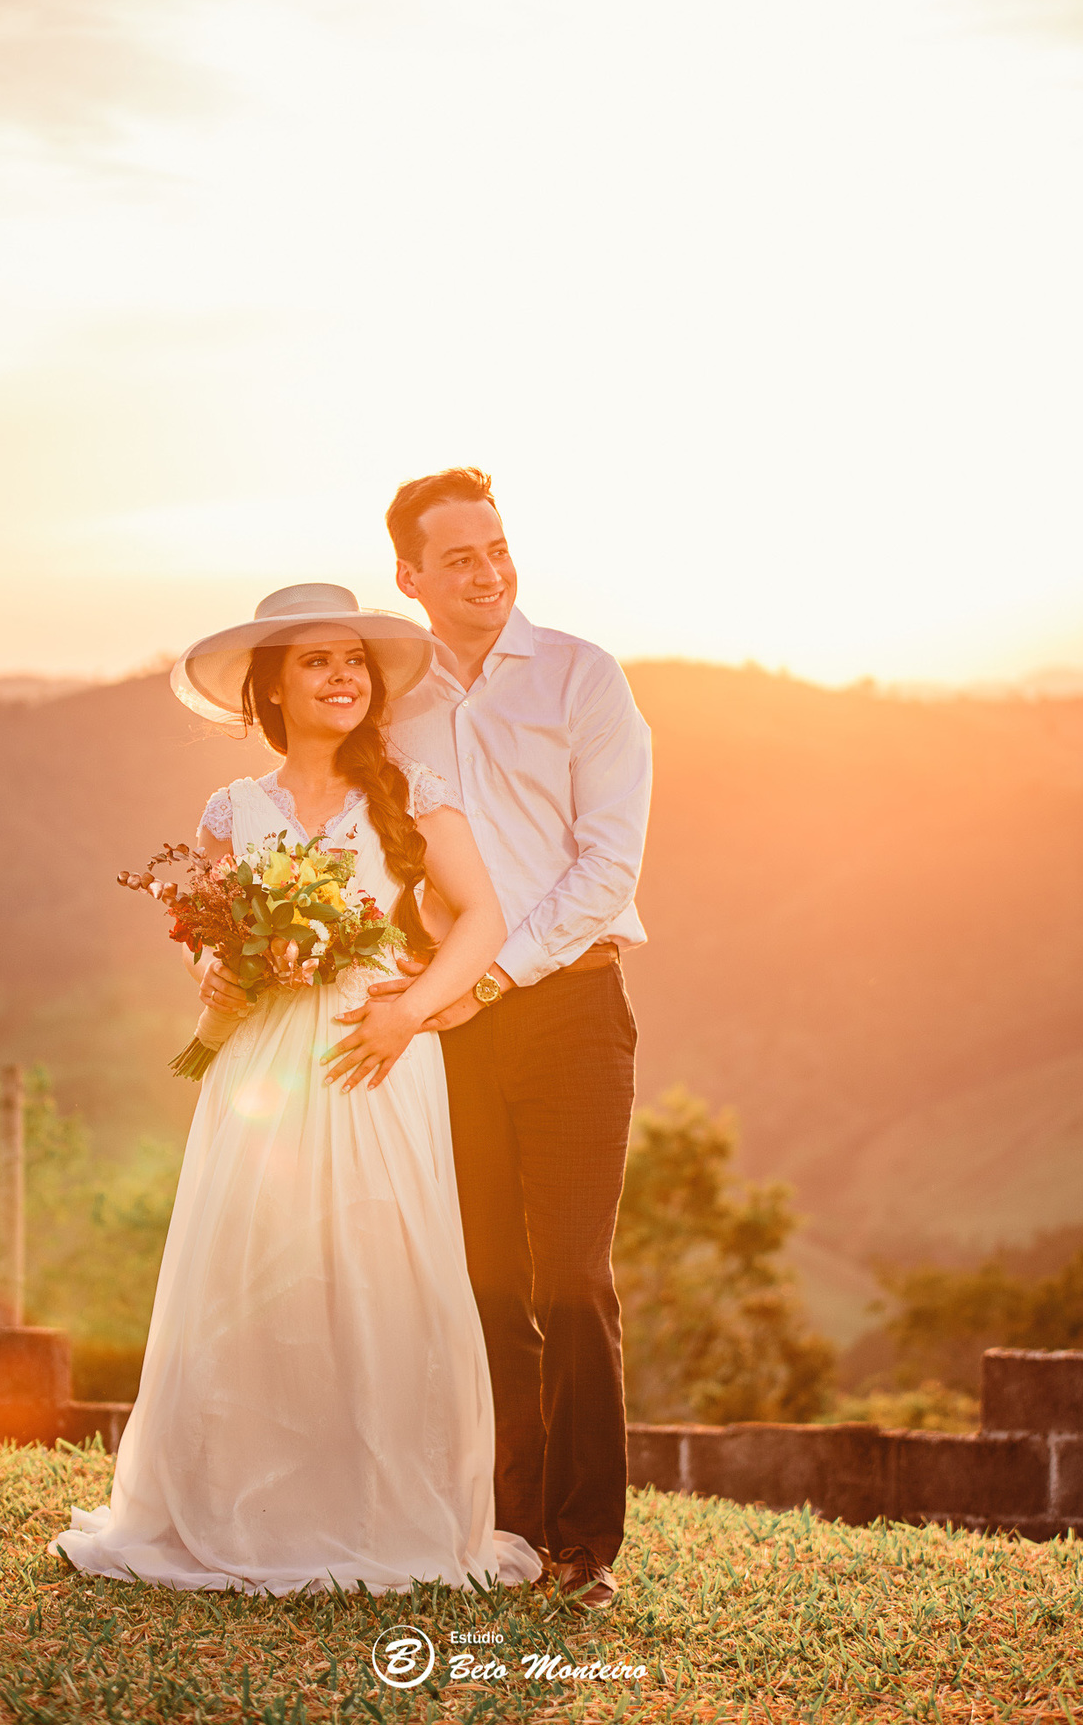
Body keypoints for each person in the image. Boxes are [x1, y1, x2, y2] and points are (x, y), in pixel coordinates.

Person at [50, 583, 541, 1595]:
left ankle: (376, 1511)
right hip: (263, 1060)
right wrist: (214, 973)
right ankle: (250, 1509)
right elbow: (207, 942)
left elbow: (486, 919)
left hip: (376, 1054)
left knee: (375, 1266)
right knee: (256, 1267)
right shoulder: (231, 811)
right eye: (317, 662)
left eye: (354, 661)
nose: (343, 677)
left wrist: (414, 1010)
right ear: (273, 685)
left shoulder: (413, 790)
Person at [336, 468, 652, 1609]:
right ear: (410, 576)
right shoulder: (392, 704)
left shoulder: (582, 675)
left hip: (571, 1006)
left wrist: (493, 977)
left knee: (570, 1280)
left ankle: (586, 1545)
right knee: (483, 1280)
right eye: (460, 557)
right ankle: (511, 1529)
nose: (489, 572)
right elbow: (372, 853)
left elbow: (609, 864)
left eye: (499, 548)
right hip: (447, 1024)